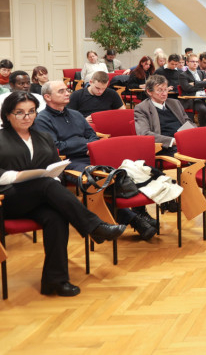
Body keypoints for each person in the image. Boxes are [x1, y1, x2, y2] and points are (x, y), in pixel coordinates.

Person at [0, 91, 126, 297]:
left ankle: (55, 281)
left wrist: (55, 180)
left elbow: (54, 167)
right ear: (7, 115)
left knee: (57, 217)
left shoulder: (43, 137)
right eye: (20, 112)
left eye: (31, 111)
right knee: (45, 184)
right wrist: (17, 176)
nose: (27, 117)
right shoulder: (1, 138)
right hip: (8, 198)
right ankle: (94, 226)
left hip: (40, 198)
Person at [35, 81, 157, 240]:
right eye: (61, 91)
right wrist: (85, 145)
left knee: (127, 170)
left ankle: (140, 212)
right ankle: (135, 220)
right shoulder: (42, 119)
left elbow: (93, 136)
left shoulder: (75, 114)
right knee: (99, 181)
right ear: (47, 97)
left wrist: (89, 145)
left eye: (67, 90)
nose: (67, 93)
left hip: (92, 155)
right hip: (69, 161)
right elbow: (57, 146)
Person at [134, 75, 206, 215]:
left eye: (165, 89)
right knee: (204, 154)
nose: (164, 93)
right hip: (166, 147)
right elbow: (144, 134)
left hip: (185, 141)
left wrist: (192, 134)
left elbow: (188, 121)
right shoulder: (142, 108)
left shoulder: (174, 103)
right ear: (149, 92)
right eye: (159, 90)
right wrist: (173, 140)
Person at [179, 53, 206, 127]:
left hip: (204, 97)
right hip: (192, 99)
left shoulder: (202, 72)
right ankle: (203, 128)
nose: (195, 63)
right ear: (187, 63)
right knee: (203, 109)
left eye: (196, 62)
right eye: (193, 61)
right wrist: (202, 85)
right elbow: (187, 88)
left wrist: (195, 83)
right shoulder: (183, 75)